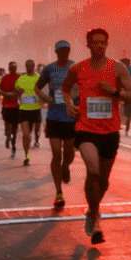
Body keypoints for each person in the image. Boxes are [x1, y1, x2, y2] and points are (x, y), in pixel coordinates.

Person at [61, 28, 131, 245]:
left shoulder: (117, 67)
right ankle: (96, 219)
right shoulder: (78, 68)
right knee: (93, 171)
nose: (99, 46)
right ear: (88, 44)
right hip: (86, 129)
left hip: (110, 131)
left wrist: (114, 92)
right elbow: (65, 88)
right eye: (95, 42)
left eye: (103, 42)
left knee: (103, 180)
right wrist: (68, 104)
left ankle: (91, 209)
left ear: (107, 44)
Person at [37, 41, 76, 210]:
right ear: (56, 52)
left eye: (66, 50)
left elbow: (83, 87)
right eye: (61, 51)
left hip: (70, 116)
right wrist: (47, 99)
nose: (64, 53)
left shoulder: (75, 67)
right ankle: (59, 192)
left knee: (69, 152)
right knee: (56, 154)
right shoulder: (49, 69)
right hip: (54, 116)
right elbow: (37, 87)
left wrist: (76, 101)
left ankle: (66, 166)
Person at [14, 59, 41, 166]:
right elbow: (16, 89)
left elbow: (44, 90)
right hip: (24, 110)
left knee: (35, 131)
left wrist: (42, 99)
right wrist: (18, 92)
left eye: (31, 66)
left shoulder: (39, 77)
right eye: (27, 66)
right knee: (26, 135)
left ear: (34, 66)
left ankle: (36, 140)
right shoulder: (21, 78)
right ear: (25, 67)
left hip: (35, 109)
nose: (29, 68)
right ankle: (26, 156)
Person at [0, 61, 20, 157]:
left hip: (16, 106)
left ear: (16, 68)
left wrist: (13, 94)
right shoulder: (5, 78)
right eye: (11, 67)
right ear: (9, 68)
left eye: (14, 67)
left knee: (14, 128)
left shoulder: (19, 78)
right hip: (6, 106)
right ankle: (8, 136)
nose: (13, 69)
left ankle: (13, 145)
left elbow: (21, 90)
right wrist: (4, 93)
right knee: (7, 125)